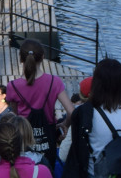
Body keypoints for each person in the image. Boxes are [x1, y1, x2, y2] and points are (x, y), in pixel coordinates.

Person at [5, 39, 74, 169]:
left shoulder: (13, 86)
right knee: (47, 171)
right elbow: (72, 111)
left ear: (21, 59)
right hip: (48, 137)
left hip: (23, 138)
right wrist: (65, 124)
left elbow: (16, 113)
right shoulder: (54, 82)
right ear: (43, 57)